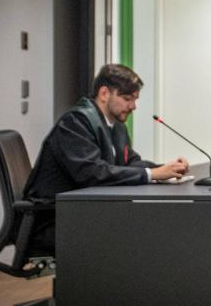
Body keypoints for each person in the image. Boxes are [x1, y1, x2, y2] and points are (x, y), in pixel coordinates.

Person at [23, 63, 188, 253]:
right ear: (104, 93)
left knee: (147, 227)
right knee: (142, 233)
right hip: (56, 220)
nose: (133, 106)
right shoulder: (75, 122)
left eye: (135, 100)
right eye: (127, 99)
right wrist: (152, 174)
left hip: (86, 214)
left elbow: (131, 162)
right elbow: (92, 173)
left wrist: (167, 168)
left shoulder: (117, 126)